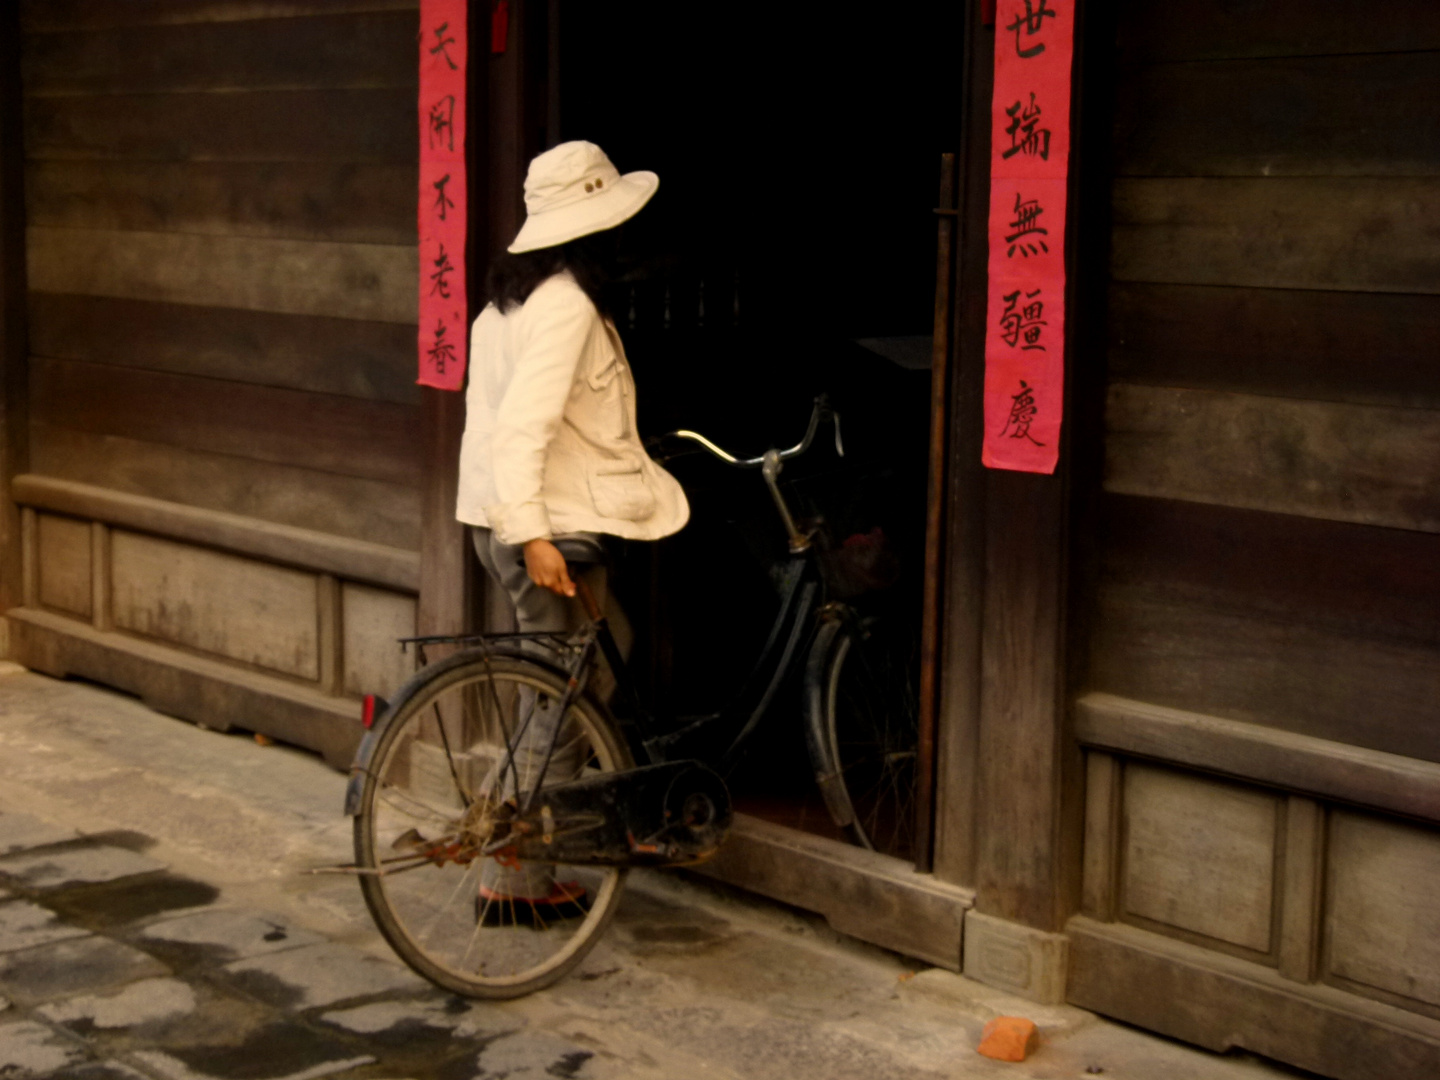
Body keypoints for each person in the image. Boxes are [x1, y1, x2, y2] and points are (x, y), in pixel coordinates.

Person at [455, 140, 689, 922]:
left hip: (510, 521)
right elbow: (523, 426)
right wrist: (535, 534)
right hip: (545, 527)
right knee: (563, 692)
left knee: (573, 674)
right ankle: (515, 872)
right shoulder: (563, 304)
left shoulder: (508, 303)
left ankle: (517, 833)